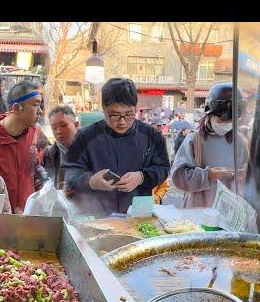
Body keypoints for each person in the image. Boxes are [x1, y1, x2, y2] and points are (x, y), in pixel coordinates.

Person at [62, 78, 170, 217]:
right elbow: (70, 172)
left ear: (135, 109)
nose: (122, 122)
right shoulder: (85, 137)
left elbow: (164, 168)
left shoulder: (152, 135)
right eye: (114, 115)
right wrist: (91, 181)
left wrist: (141, 177)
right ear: (104, 110)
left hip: (138, 214)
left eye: (129, 114)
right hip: (97, 215)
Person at [171, 82, 249, 208]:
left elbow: (246, 173)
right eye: (222, 120)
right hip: (198, 210)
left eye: (230, 121)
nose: (227, 124)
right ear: (210, 114)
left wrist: (244, 176)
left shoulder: (239, 141)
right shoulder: (194, 139)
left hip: (229, 211)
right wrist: (208, 175)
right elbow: (178, 177)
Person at [0, 81, 44, 213]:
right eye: (36, 104)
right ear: (16, 108)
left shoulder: (35, 133)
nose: (41, 111)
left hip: (26, 217)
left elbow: (36, 169)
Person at [43, 106, 79, 190]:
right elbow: (48, 181)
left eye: (63, 125)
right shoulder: (49, 153)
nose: (58, 131)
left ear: (76, 125)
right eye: (54, 128)